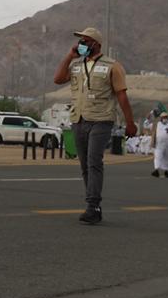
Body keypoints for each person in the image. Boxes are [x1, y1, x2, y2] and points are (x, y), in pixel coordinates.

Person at [52, 26, 136, 225]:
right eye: (80, 40)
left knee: (94, 162)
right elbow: (57, 79)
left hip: (101, 120)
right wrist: (69, 56)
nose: (81, 43)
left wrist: (130, 123)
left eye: (86, 40)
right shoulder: (76, 65)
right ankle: (94, 205)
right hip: (78, 120)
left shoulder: (112, 66)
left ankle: (92, 206)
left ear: (96, 44)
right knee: (85, 165)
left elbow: (122, 96)